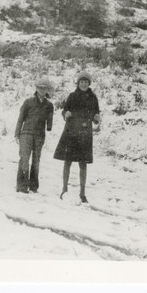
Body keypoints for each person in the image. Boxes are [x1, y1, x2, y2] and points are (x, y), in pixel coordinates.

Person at [54, 71, 100, 203]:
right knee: (67, 161)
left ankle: (82, 193)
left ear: (89, 83)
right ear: (78, 83)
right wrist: (66, 113)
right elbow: (64, 110)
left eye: (86, 82)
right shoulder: (72, 96)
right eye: (81, 82)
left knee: (83, 163)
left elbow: (96, 113)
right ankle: (64, 189)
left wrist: (96, 118)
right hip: (71, 131)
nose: (84, 84)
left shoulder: (93, 97)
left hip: (85, 133)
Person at [15, 78, 54, 193]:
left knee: (36, 161)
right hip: (26, 133)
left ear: (47, 90)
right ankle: (22, 186)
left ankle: (33, 186)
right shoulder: (28, 102)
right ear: (36, 88)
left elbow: (50, 120)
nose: (42, 90)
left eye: (44, 88)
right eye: (40, 87)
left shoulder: (49, 105)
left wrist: (49, 126)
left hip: (39, 135)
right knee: (24, 159)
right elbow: (21, 118)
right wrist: (17, 132)